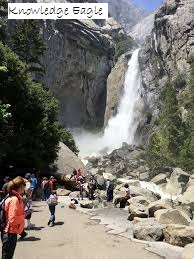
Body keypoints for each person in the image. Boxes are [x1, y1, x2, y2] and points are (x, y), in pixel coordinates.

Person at [1, 176, 25, 259]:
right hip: (10, 233)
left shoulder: (11, 196)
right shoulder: (14, 199)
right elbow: (12, 220)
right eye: (24, 186)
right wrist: (23, 216)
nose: (24, 189)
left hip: (9, 232)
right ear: (20, 187)